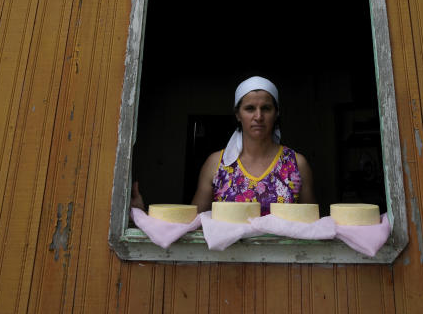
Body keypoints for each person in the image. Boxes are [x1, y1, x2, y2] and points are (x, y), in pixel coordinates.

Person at [130, 76, 315, 215]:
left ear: (276, 113)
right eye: (250, 108)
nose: (258, 116)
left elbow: (312, 224)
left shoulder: (296, 164)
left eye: (266, 108)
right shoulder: (216, 164)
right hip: (227, 265)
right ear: (237, 114)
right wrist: (141, 214)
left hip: (283, 264)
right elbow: (192, 222)